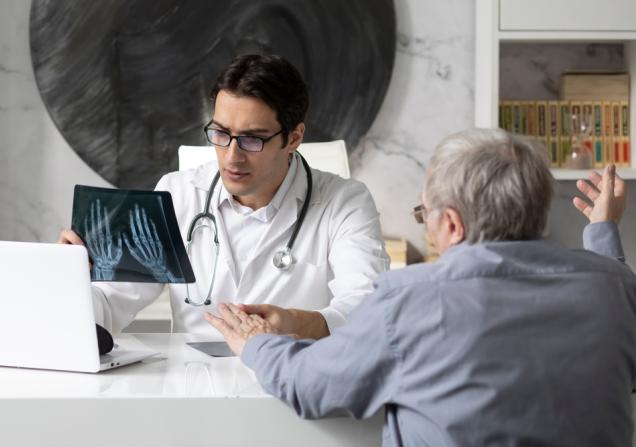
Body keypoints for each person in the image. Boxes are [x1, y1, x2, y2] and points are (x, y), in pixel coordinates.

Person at [208, 128, 636, 447]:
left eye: (424, 214)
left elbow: (308, 386)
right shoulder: (613, 286)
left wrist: (256, 343)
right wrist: (602, 232)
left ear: (451, 223)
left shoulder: (411, 299)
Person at [58, 54, 389, 337]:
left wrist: (296, 322)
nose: (232, 156)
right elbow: (111, 304)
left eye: (252, 139)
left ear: (293, 137)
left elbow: (368, 307)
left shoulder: (346, 203)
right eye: (220, 133)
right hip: (195, 393)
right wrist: (70, 280)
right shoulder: (177, 194)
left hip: (291, 384)